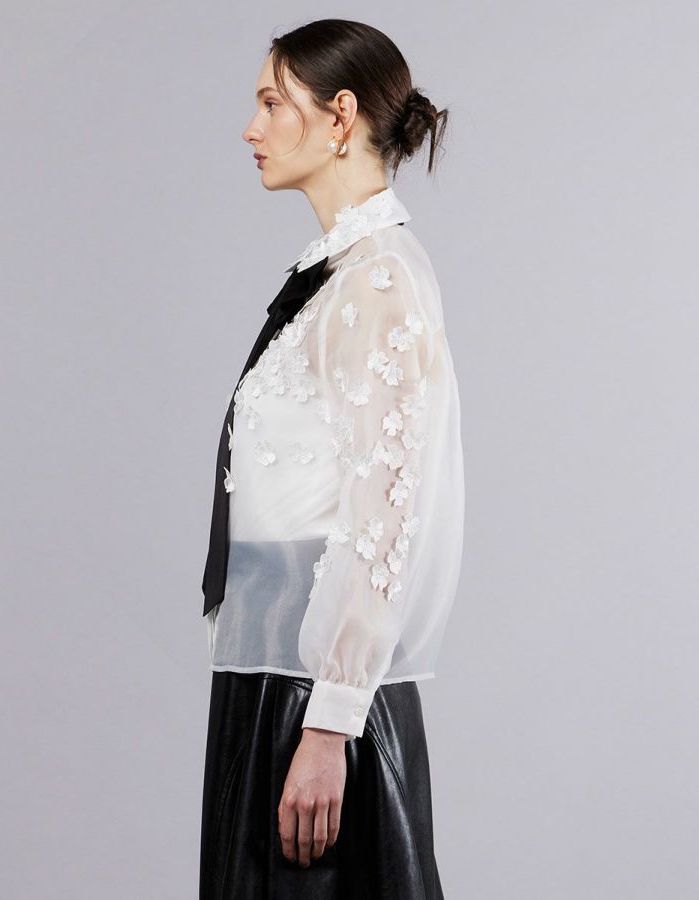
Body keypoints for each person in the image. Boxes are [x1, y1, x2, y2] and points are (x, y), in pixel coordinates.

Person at [199, 18, 464, 900]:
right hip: (275, 681)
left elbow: (384, 518)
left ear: (340, 116)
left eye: (273, 103)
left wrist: (330, 725)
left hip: (314, 699)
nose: (252, 127)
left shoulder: (378, 280)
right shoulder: (335, 275)